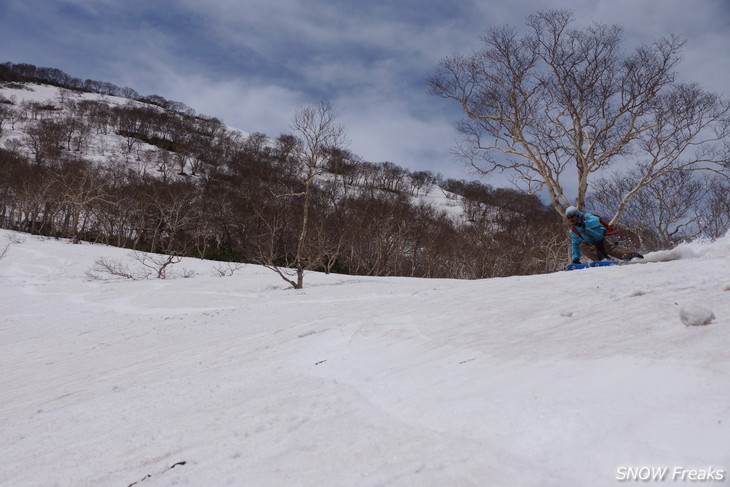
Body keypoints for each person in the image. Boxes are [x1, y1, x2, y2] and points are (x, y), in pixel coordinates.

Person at [565, 206, 643, 264]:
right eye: (568, 217)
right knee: (583, 245)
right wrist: (575, 259)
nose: (571, 219)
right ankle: (602, 259)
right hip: (594, 245)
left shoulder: (586, 217)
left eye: (572, 216)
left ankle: (630, 256)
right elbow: (575, 244)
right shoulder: (574, 230)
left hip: (604, 238)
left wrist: (585, 224)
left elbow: (596, 220)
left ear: (577, 214)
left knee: (609, 248)